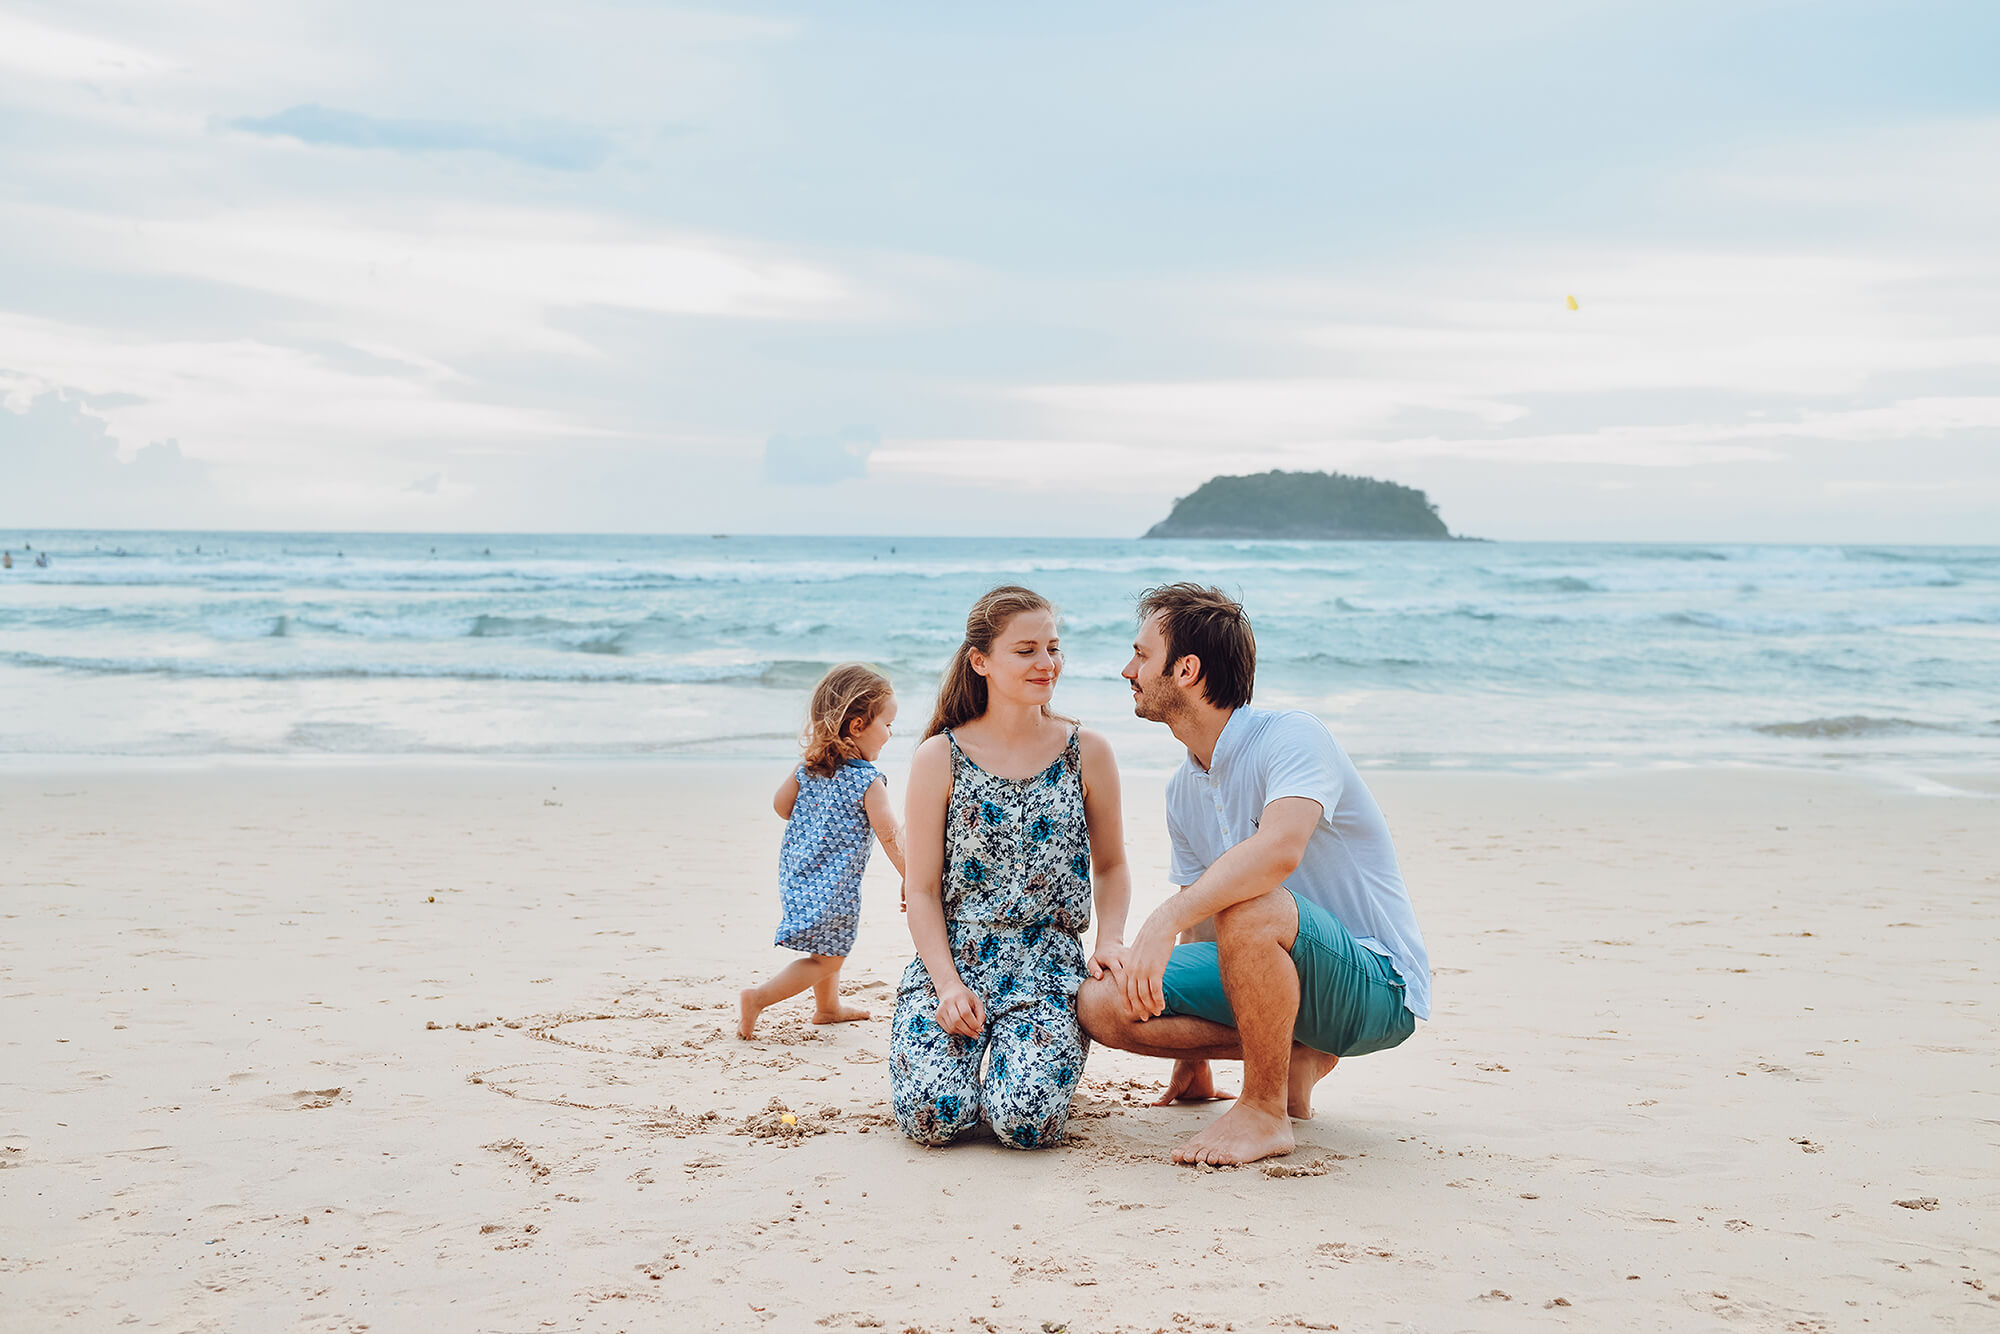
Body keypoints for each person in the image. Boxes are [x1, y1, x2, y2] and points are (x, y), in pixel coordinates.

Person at [1077, 583, 1431, 1165]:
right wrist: (1191, 1067)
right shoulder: (1182, 787)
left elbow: (1278, 854)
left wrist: (1162, 920)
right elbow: (1201, 918)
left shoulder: (1291, 736)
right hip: (1266, 965)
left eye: (1141, 655)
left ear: (1186, 669)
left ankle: (1265, 1111)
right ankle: (1293, 1057)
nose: (1127, 670)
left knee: (1251, 902)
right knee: (1104, 1001)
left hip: (1376, 984)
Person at [891, 585, 1132, 1149]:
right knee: (934, 1117)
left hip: (1048, 965)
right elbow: (921, 891)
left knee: (1025, 1123)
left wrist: (1111, 939)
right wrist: (947, 986)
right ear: (981, 662)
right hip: (955, 958)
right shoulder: (939, 756)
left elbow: (1114, 865)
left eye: (1053, 647)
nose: (1046, 663)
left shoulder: (1087, 750)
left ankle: (1022, 1069)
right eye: (1026, 650)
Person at [738, 664, 908, 1039]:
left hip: (800, 876)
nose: (891, 733)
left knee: (829, 945)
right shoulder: (868, 780)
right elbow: (890, 835)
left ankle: (828, 1008)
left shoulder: (809, 769)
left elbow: (782, 808)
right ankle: (758, 998)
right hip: (834, 886)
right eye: (888, 724)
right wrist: (913, 879)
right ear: (858, 726)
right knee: (829, 955)